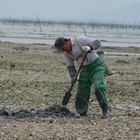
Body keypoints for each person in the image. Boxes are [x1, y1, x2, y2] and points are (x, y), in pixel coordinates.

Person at [54, 35, 108, 118]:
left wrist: (89, 47)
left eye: (62, 48)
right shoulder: (67, 54)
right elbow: (70, 66)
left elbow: (97, 42)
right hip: (84, 70)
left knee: (98, 86)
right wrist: (73, 76)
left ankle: (105, 110)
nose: (62, 50)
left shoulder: (79, 40)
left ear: (65, 43)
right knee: (82, 91)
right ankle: (82, 112)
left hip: (96, 66)